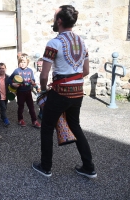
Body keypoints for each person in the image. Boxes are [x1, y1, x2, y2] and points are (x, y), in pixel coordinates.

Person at [32, 5, 97, 178]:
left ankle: (45, 167)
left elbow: (44, 75)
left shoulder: (53, 43)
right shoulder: (82, 42)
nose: (53, 20)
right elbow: (86, 70)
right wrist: (72, 78)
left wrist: (44, 91)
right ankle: (89, 167)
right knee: (75, 125)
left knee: (46, 127)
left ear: (59, 21)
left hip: (60, 92)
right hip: (77, 92)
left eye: (54, 17)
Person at [9, 53, 41, 128]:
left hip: (28, 92)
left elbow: (32, 79)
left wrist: (33, 82)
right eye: (21, 62)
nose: (22, 64)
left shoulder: (30, 70)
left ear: (27, 62)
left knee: (31, 107)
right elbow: (9, 79)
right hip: (20, 92)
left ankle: (34, 121)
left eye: (24, 62)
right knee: (21, 106)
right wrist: (13, 84)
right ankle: (20, 119)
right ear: (18, 62)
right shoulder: (16, 71)